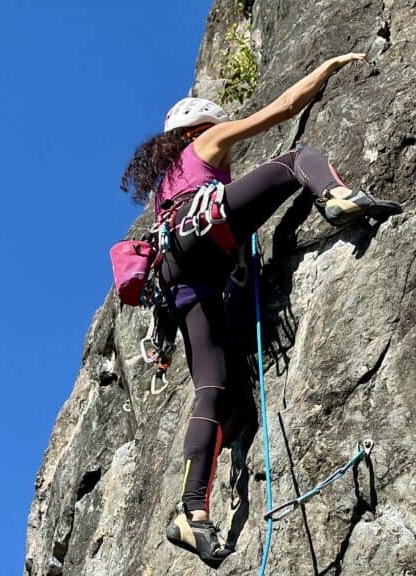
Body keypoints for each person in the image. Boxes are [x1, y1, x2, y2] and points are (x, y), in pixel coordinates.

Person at [119, 52, 401, 565]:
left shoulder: (166, 186)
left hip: (181, 281)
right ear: (198, 130)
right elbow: (284, 107)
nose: (226, 150)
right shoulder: (205, 143)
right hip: (205, 239)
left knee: (214, 389)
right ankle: (335, 197)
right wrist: (330, 65)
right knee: (296, 160)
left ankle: (191, 512)